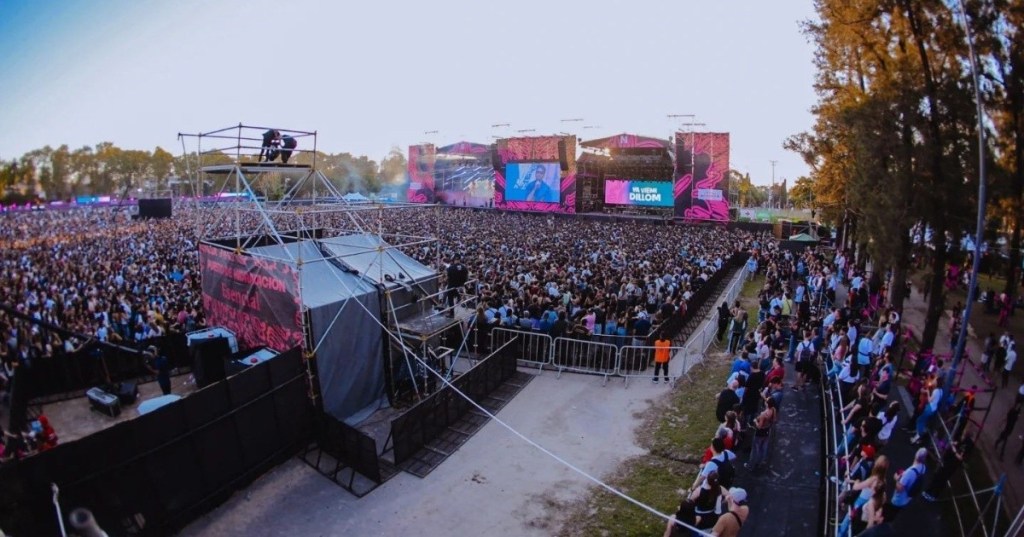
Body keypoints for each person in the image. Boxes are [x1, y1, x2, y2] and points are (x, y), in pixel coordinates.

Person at [886, 447, 927, 521]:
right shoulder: (923, 468)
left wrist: (896, 479)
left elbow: (899, 488)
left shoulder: (910, 472)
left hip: (898, 500)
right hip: (907, 498)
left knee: (890, 513)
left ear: (916, 455)